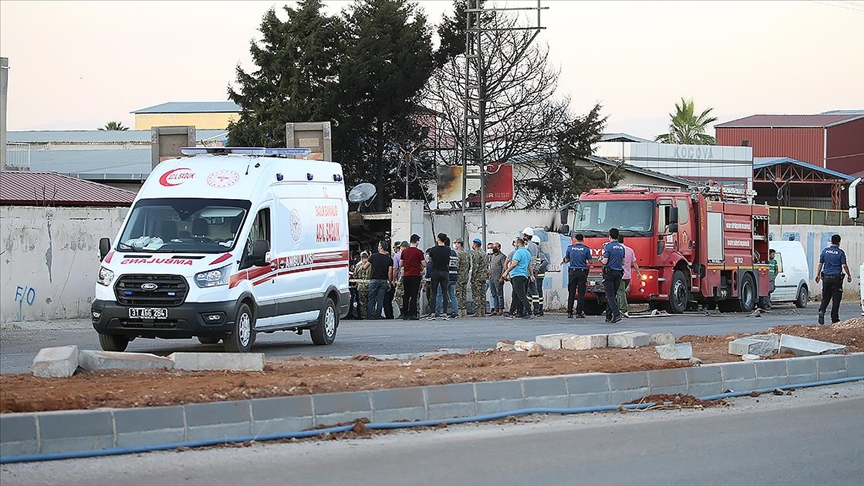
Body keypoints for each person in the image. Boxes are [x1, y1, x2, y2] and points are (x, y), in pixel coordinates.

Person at [814, 234, 852, 325]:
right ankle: (834, 319)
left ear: (831, 241)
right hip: (836, 278)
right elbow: (844, 265)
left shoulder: (825, 251)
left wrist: (817, 275)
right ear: (839, 242)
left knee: (826, 296)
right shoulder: (840, 252)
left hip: (826, 278)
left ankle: (822, 310)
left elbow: (820, 264)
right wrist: (849, 275)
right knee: (836, 299)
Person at [502, 237, 533, 319]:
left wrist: (506, 271)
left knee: (522, 295)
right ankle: (511, 313)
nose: (514, 244)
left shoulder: (518, 252)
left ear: (518, 243)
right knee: (515, 295)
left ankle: (530, 312)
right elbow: (530, 265)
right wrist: (532, 275)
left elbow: (514, 263)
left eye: (515, 242)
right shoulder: (527, 253)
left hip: (517, 275)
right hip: (524, 276)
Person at [564, 233, 592, 318]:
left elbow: (566, 259)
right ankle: (579, 312)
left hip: (572, 272)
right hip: (582, 272)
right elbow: (590, 262)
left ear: (575, 239)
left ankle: (569, 312)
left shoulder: (570, 248)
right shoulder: (586, 249)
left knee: (571, 292)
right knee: (581, 293)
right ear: (583, 239)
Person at [601, 228, 625, 324]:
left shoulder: (608, 247)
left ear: (609, 236)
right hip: (618, 273)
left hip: (609, 273)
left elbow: (605, 261)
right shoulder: (622, 247)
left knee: (609, 295)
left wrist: (600, 260)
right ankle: (608, 316)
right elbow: (623, 262)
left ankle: (616, 314)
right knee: (612, 295)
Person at [365, 241, 394, 320]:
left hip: (374, 280)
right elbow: (390, 272)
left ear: (381, 247)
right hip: (383, 281)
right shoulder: (389, 259)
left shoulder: (373, 256)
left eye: (378, 246)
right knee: (380, 299)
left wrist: (361, 267)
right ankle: (378, 316)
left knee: (371, 298)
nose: (378, 247)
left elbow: (365, 267)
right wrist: (390, 282)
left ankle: (370, 316)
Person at [427, 233, 452, 320]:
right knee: (445, 292)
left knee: (434, 293)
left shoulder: (433, 249)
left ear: (438, 239)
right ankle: (445, 313)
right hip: (445, 271)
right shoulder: (448, 249)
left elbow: (430, 260)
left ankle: (433, 313)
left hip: (435, 271)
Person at [616, 235, 642, 317]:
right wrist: (638, 273)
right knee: (621, 291)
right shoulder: (630, 250)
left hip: (619, 274)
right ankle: (618, 308)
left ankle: (623, 308)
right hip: (627, 275)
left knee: (620, 292)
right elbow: (634, 262)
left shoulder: (616, 250)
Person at [400, 236, 425, 320]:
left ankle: (405, 314)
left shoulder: (404, 252)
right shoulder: (419, 252)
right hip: (415, 275)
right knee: (414, 295)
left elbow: (401, 264)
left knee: (406, 294)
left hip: (406, 275)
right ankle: (412, 314)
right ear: (417, 241)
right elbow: (424, 264)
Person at [521, 227, 541, 315]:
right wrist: (536, 268)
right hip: (533, 271)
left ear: (526, 236)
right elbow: (538, 259)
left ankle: (526, 309)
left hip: (527, 271)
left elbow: (526, 259)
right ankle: (537, 309)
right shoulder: (535, 247)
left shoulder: (527, 246)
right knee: (534, 291)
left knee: (525, 291)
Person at [470, 238, 488, 317]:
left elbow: (475, 266)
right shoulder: (484, 253)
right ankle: (483, 311)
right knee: (482, 293)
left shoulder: (476, 253)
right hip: (483, 276)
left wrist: (473, 277)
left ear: (475, 244)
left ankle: (478, 311)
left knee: (476, 293)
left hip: (477, 276)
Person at [488, 241, 507, 316]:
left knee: (499, 294)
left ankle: (501, 308)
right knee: (494, 294)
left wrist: (502, 277)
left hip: (498, 277)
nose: (494, 248)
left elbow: (504, 267)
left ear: (499, 247)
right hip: (491, 277)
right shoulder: (492, 256)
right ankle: (495, 309)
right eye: (493, 247)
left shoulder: (502, 256)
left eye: (496, 247)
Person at [454, 238, 470, 318]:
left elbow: (457, 265)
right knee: (464, 293)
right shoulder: (466, 253)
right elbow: (469, 264)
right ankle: (464, 310)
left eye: (456, 243)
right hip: (465, 275)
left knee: (459, 293)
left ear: (459, 244)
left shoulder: (458, 253)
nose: (455, 245)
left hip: (459, 275)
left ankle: (460, 310)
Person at [353, 251, 371, 319]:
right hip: (370, 285)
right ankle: (371, 315)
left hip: (361, 286)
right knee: (371, 301)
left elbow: (355, 276)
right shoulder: (370, 264)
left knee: (362, 302)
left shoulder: (358, 265)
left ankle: (364, 316)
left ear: (361, 257)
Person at [389, 242, 403, 319]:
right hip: (407, 277)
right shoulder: (405, 254)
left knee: (398, 296)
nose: (393, 249)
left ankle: (402, 312)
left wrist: (393, 280)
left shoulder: (396, 256)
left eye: (394, 247)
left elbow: (395, 269)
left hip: (400, 279)